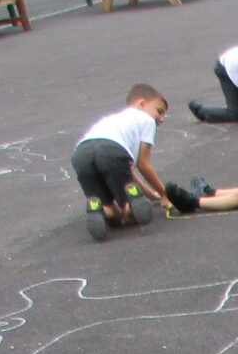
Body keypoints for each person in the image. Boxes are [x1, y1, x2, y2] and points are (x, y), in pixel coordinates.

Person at [70, 83, 169, 242]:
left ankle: (97, 208)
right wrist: (164, 194)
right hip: (112, 150)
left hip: (81, 153)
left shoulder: (111, 119)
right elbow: (143, 165)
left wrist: (151, 195)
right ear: (142, 104)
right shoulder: (147, 120)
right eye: (159, 111)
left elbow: (127, 171)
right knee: (129, 215)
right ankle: (131, 204)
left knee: (113, 217)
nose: (161, 118)